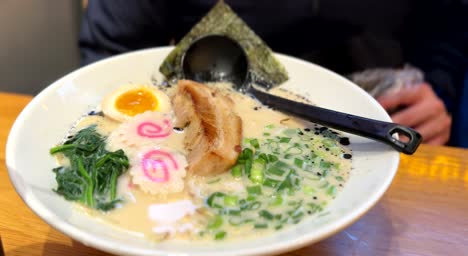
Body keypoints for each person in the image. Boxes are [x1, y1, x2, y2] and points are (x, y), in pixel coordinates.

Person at [79, 0, 467, 146]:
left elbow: (446, 21)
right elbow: (109, 43)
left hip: (380, 128)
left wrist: (441, 87)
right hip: (206, 118)